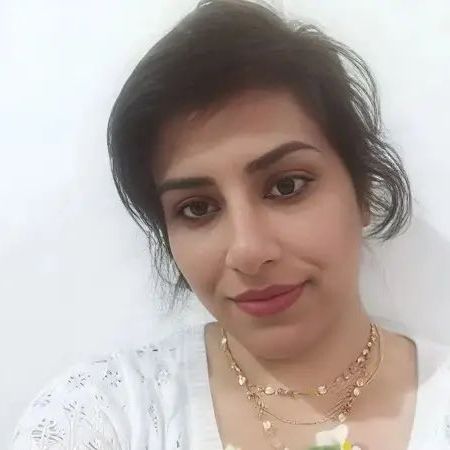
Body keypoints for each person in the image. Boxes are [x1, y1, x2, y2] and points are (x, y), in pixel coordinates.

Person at [10, 0, 450, 449]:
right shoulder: (104, 414)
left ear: (362, 193)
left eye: (286, 186)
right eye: (197, 209)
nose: (248, 251)